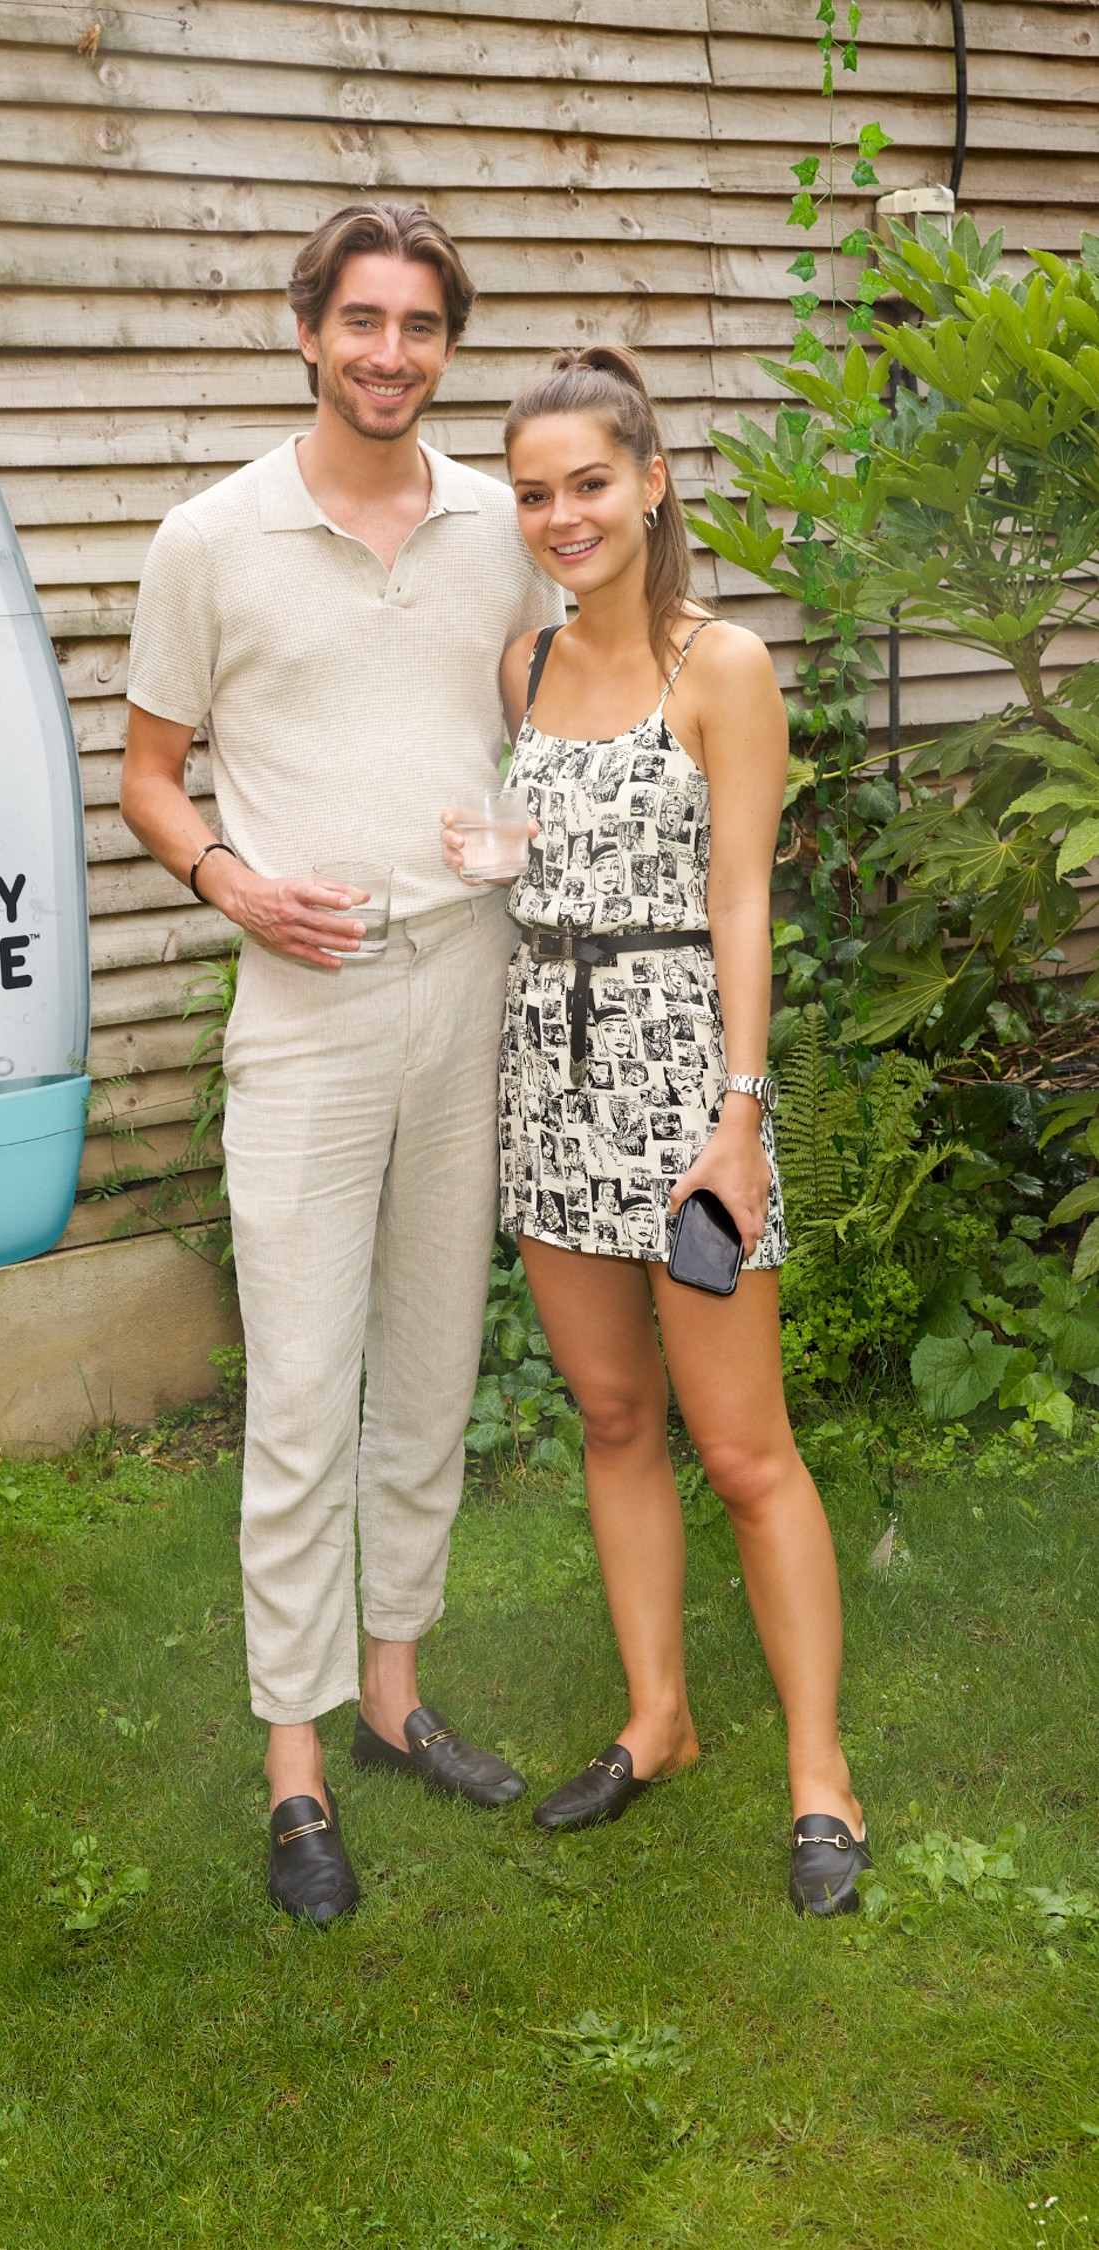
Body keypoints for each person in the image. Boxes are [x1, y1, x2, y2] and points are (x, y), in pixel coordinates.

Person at [120, 204, 564, 1926]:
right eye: (363, 320)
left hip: (470, 977)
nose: (391, 353)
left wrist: (519, 834)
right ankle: (295, 1768)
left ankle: (394, 1694)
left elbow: (557, 715)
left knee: (431, 1363)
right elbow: (151, 774)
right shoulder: (210, 540)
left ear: (447, 345)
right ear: (306, 329)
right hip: (305, 1010)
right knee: (303, 1388)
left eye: (421, 326)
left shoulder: (500, 527)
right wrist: (231, 879)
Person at [441, 344, 869, 1917]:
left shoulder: (722, 667)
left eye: (589, 484)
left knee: (745, 1448)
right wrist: (504, 858)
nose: (562, 516)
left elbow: (740, 899)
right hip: (550, 1086)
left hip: (685, 1086)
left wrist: (739, 1120)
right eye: (533, 493)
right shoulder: (524, 669)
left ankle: (820, 1775)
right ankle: (659, 1718)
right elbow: (555, 851)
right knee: (614, 1417)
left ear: (653, 480)